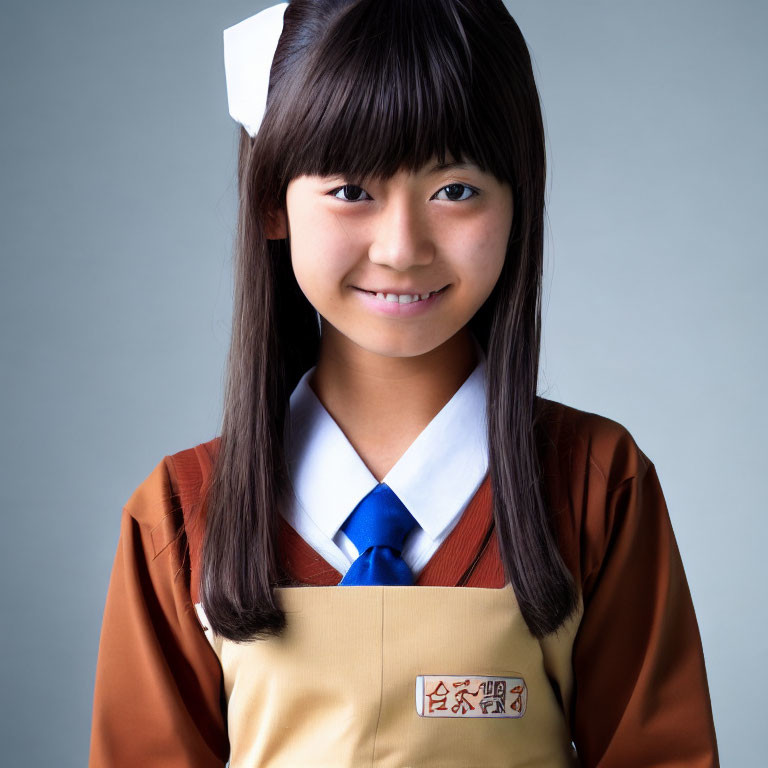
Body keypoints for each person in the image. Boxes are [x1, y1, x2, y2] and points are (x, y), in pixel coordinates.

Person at [88, 1, 719, 766]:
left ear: (521, 200)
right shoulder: (180, 516)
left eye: (454, 189)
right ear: (269, 200)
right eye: (352, 189)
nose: (401, 247)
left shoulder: (595, 485)